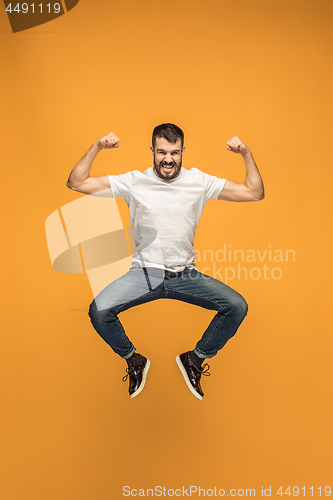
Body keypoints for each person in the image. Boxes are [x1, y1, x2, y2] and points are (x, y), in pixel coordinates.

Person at [66, 123, 264, 400]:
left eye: (174, 152)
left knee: (237, 306)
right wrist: (97, 146)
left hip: (186, 276)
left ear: (183, 151)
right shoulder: (134, 181)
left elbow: (253, 192)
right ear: (152, 151)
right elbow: (76, 182)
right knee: (99, 312)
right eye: (161, 152)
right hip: (144, 275)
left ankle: (194, 359)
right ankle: (134, 360)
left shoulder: (200, 182)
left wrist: (246, 153)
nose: (168, 159)